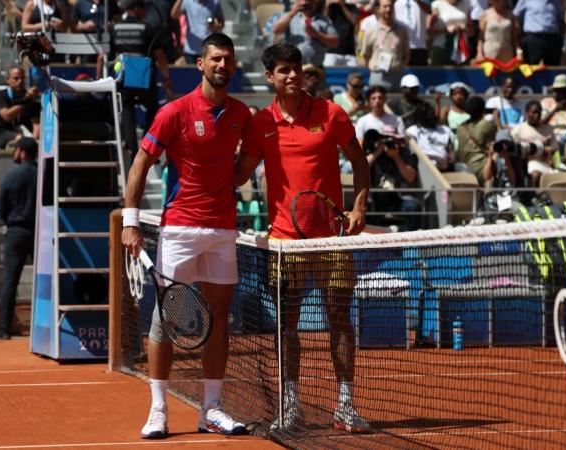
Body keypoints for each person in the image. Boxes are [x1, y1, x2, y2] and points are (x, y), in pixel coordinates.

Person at [121, 33, 252, 439]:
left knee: (218, 321)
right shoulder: (174, 112)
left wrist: (237, 177)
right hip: (179, 228)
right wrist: (130, 220)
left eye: (228, 60)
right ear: (200, 64)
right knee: (166, 320)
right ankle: (159, 409)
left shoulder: (242, 114)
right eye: (215, 59)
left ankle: (210, 409)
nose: (222, 66)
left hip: (222, 229)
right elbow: (141, 163)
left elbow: (245, 163)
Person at [235, 43, 371, 433]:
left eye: (295, 69)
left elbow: (360, 165)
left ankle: (345, 403)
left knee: (340, 319)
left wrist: (359, 206)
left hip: (332, 238)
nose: (292, 76)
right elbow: (239, 175)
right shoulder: (260, 122)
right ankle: (290, 404)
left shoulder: (331, 113)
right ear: (269, 76)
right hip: (284, 240)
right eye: (283, 71)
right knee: (286, 325)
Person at [110, 0, 172, 159]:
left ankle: (131, 147)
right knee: (153, 108)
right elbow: (160, 56)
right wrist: (166, 78)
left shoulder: (114, 29)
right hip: (142, 76)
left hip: (122, 77)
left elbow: (104, 56)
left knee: (127, 111)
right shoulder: (147, 28)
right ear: (136, 10)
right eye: (143, 9)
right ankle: (147, 142)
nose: (146, 12)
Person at [0, 137, 38, 340]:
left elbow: (2, 209)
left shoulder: (12, 176)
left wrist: (11, 221)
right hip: (40, 232)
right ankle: (42, 326)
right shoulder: (44, 175)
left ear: (23, 153)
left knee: (10, 282)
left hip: (16, 231)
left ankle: (4, 330)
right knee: (44, 279)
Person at [365, 129, 422, 229]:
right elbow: (362, 167)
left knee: (414, 207)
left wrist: (396, 157)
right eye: (386, 140)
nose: (389, 143)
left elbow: (410, 177)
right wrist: (377, 153)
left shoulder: (406, 154)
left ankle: (410, 242)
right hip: (377, 200)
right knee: (362, 209)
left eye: (393, 140)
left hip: (399, 200)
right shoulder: (376, 153)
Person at [360, 0, 410, 91]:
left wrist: (399, 67)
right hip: (378, 76)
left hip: (397, 75)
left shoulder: (401, 30)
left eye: (391, 6)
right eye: (385, 6)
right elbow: (365, 55)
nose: (388, 9)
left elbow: (406, 54)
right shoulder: (370, 30)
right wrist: (372, 70)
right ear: (378, 9)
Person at [272, 0, 339, 66]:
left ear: (316, 2)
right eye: (304, 1)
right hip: (293, 67)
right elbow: (276, 30)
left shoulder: (324, 19)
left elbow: (335, 43)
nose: (306, 3)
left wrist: (318, 35)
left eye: (310, 1)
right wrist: (293, 12)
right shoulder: (289, 17)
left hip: (315, 68)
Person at [510, 100, 559, 187]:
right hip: (529, 163)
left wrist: (553, 158)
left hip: (546, 163)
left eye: (539, 112)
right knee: (535, 175)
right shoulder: (518, 130)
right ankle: (534, 197)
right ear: (527, 113)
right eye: (533, 112)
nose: (537, 115)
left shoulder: (548, 129)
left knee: (565, 178)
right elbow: (513, 152)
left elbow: (555, 148)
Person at [0, 66, 41, 149]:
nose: (20, 81)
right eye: (16, 78)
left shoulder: (30, 97)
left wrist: (34, 140)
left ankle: (19, 145)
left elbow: (36, 122)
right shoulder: (1, 95)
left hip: (26, 132)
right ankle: (16, 145)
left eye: (22, 78)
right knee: (21, 139)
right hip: (4, 133)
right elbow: (7, 116)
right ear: (8, 79)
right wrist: (26, 101)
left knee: (32, 142)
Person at [171, 0, 224, 64]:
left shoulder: (215, 2)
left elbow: (221, 23)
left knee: (208, 73)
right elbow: (174, 15)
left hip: (209, 50)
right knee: (191, 74)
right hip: (191, 51)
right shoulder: (187, 2)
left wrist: (215, 26)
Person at [457, 95, 496, 183]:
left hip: (465, 166)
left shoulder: (460, 127)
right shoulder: (486, 125)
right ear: (482, 109)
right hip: (482, 164)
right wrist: (497, 119)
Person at [406, 101, 455, 170]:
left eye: (432, 113)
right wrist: (436, 158)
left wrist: (450, 160)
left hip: (445, 167)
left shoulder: (445, 130)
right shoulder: (413, 131)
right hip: (425, 167)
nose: (432, 116)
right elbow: (415, 154)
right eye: (428, 114)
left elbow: (450, 150)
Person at [512, 0, 563, 65]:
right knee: (530, 67)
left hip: (552, 38)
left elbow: (561, 19)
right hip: (533, 38)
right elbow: (516, 16)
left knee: (553, 67)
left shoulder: (557, 1)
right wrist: (519, 34)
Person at [540, 74, 566, 146]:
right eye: (559, 90)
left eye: (565, 90)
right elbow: (541, 123)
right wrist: (555, 110)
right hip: (552, 135)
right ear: (555, 90)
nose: (562, 93)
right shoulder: (546, 102)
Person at [427, 0, 471, 66]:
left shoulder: (466, 4)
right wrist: (445, 30)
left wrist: (464, 28)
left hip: (461, 50)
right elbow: (429, 30)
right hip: (441, 48)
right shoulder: (436, 4)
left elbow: (471, 31)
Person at [323, 0, 360, 66]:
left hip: (349, 51)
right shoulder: (329, 7)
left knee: (354, 75)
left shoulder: (352, 7)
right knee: (328, 74)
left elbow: (354, 21)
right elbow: (324, 20)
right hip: (331, 52)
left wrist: (343, 5)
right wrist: (327, 4)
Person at [395, 0, 431, 65]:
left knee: (420, 74)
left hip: (419, 46)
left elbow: (429, 10)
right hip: (399, 46)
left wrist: (418, 1)